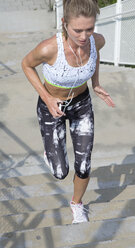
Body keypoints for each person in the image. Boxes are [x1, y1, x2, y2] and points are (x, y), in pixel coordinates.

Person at [22, 0, 115, 224]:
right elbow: (26, 64)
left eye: (89, 29)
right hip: (51, 107)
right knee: (60, 172)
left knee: (83, 165)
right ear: (64, 23)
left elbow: (96, 54)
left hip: (81, 105)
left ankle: (76, 204)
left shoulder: (97, 41)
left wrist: (96, 83)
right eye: (78, 30)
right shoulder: (49, 48)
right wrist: (47, 97)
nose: (84, 36)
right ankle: (50, 151)